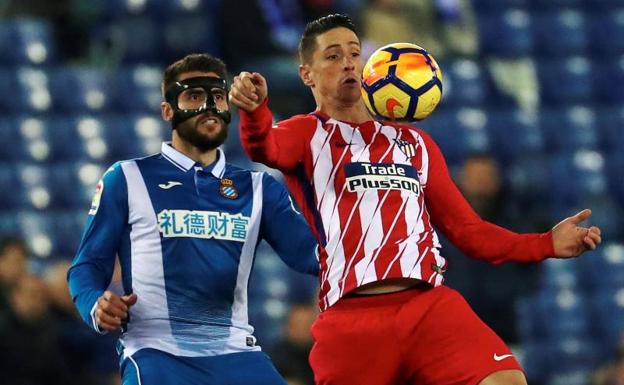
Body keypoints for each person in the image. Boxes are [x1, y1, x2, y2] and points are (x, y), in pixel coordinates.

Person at [229, 14, 603, 385]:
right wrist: (254, 112)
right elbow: (265, 147)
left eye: (355, 53)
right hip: (353, 318)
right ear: (306, 74)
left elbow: (468, 230)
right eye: (332, 56)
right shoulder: (306, 133)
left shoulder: (415, 144)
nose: (347, 63)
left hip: (428, 305)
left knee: (506, 380)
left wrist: (544, 243)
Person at [67, 53, 320, 385]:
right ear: (167, 111)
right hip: (157, 352)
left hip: (237, 352)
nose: (208, 107)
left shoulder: (258, 187)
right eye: (194, 96)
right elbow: (87, 266)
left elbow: (313, 256)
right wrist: (95, 306)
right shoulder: (127, 178)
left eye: (217, 97)